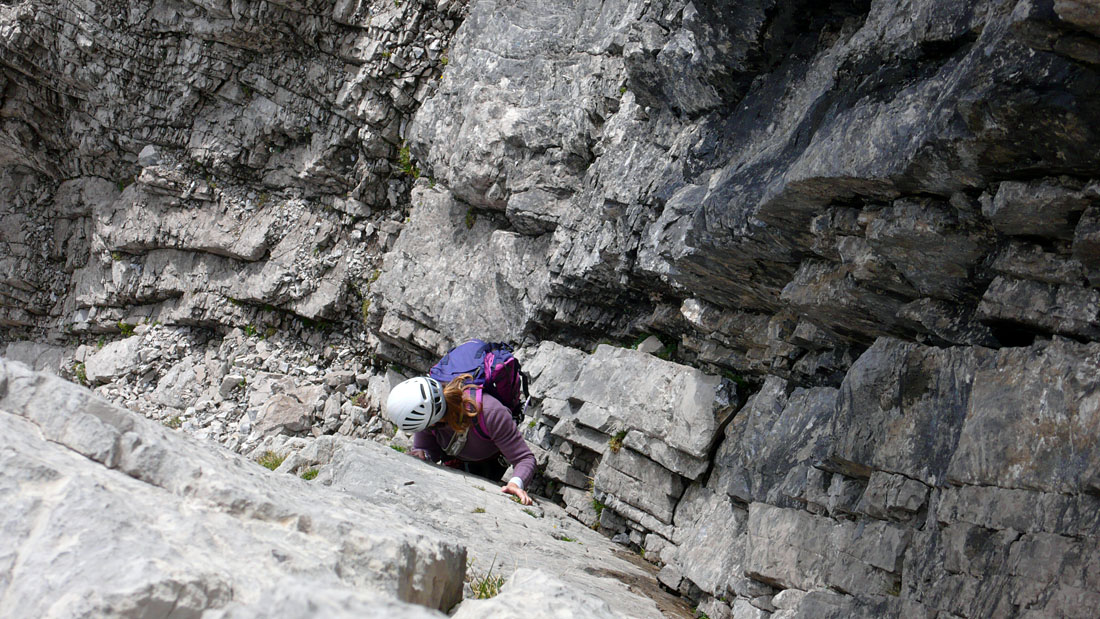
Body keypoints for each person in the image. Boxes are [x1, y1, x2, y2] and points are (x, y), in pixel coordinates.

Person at [386, 373, 536, 505]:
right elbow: (426, 448)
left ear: (434, 421)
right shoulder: (429, 417)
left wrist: (516, 483)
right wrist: (423, 453)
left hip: (489, 461)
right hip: (457, 457)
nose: (425, 430)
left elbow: (524, 458)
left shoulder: (490, 413)